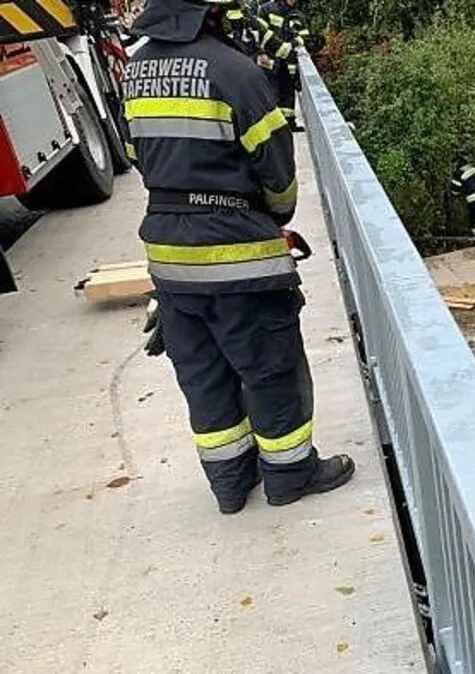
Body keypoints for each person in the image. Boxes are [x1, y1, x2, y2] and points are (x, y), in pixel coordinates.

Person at [121, 0, 355, 514]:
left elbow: (137, 156)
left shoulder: (134, 70)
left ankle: (230, 484)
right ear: (209, 13)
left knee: (203, 374)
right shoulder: (235, 70)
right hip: (239, 257)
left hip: (169, 258)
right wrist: (267, 213)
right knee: (270, 367)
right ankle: (290, 474)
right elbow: (278, 175)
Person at [253, 0, 310, 131]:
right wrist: (260, 53)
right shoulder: (267, 9)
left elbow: (304, 37)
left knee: (288, 93)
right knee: (270, 93)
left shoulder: (298, 15)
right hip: (269, 60)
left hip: (289, 61)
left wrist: (294, 45)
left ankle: (288, 124)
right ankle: (271, 127)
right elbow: (258, 32)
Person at [447, 156, 475, 236]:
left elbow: (455, 189)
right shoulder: (472, 169)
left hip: (473, 197)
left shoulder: (459, 173)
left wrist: (453, 191)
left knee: (474, 218)